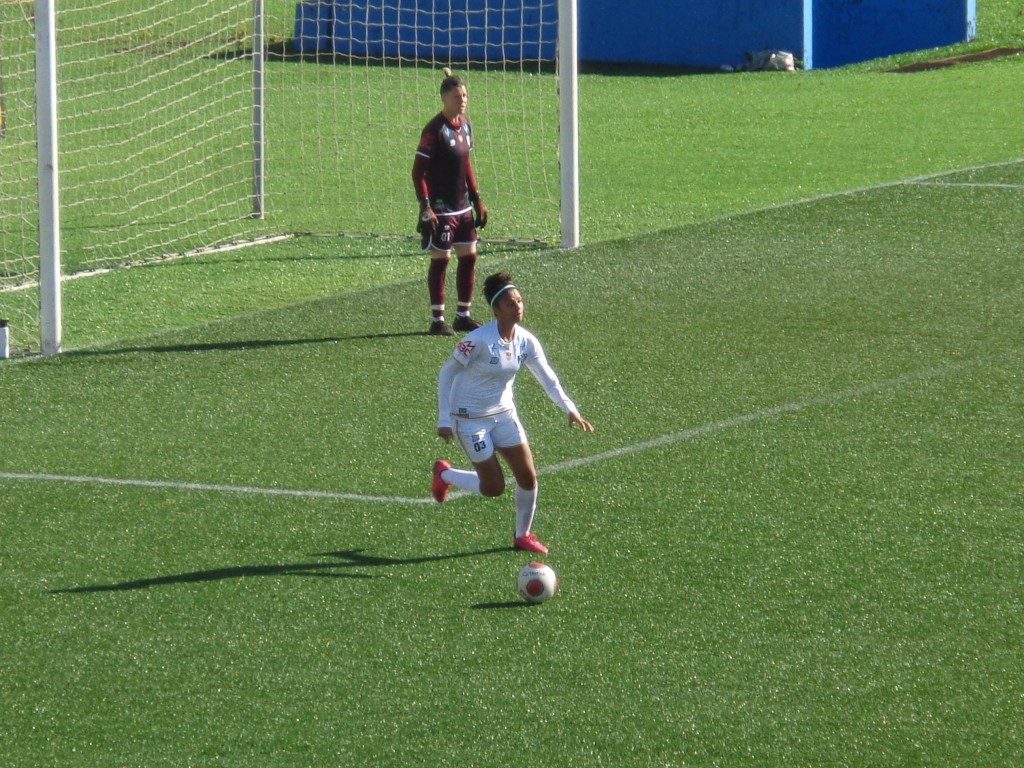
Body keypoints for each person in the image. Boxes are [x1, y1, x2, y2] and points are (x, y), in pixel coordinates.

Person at [432, 271, 594, 554]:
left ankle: (523, 535)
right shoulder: (478, 340)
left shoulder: (526, 341)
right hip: (470, 420)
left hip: (504, 414)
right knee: (493, 487)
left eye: (520, 301)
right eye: (510, 303)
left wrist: (569, 408)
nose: (518, 306)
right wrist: (444, 418)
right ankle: (444, 474)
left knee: (528, 476)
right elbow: (447, 373)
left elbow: (548, 378)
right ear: (496, 309)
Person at [412, 68, 489, 337]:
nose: (463, 100)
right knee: (441, 259)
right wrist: (425, 206)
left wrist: (477, 198)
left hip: (463, 206)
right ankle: (437, 319)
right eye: (457, 97)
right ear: (444, 99)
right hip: (442, 208)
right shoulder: (434, 131)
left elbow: (466, 164)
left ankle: (463, 315)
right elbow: (417, 172)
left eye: (465, 95)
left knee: (469, 256)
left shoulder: (466, 125)